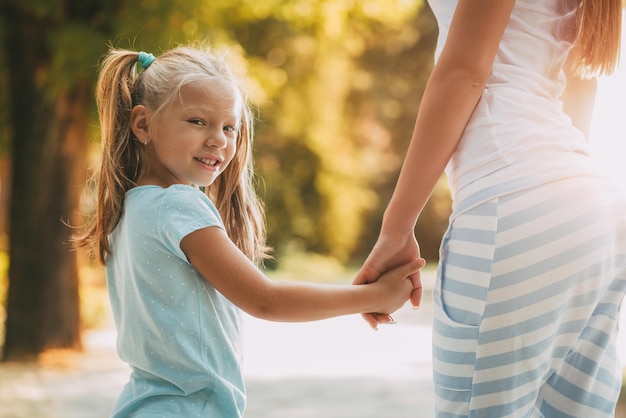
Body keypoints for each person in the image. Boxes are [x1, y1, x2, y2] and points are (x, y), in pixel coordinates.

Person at [73, 45, 423, 417]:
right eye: (197, 121)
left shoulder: (132, 207)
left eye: (229, 127)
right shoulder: (178, 206)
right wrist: (373, 296)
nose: (218, 140)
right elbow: (264, 299)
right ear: (143, 124)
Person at [355, 1, 626, 417]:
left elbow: (464, 70)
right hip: (595, 212)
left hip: (513, 200)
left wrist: (396, 228)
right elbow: (581, 78)